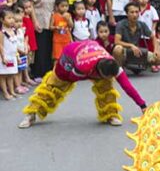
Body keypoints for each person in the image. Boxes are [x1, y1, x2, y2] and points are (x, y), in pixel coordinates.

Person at [19, 39, 147, 128]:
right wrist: (84, 75)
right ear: (100, 72)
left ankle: (111, 115)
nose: (111, 78)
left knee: (106, 88)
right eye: (107, 76)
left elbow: (128, 87)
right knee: (52, 88)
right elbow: (71, 78)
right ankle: (31, 114)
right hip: (69, 58)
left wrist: (142, 105)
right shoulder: (83, 66)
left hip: (90, 49)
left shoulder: (113, 66)